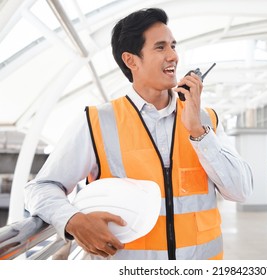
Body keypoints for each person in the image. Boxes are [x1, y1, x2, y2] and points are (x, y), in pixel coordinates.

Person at [24, 7, 253, 260]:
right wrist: (72, 220)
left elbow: (241, 191)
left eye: (173, 46)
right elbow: (41, 187)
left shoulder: (206, 119)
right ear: (131, 60)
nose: (173, 56)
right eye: (161, 47)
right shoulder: (97, 121)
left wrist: (199, 132)